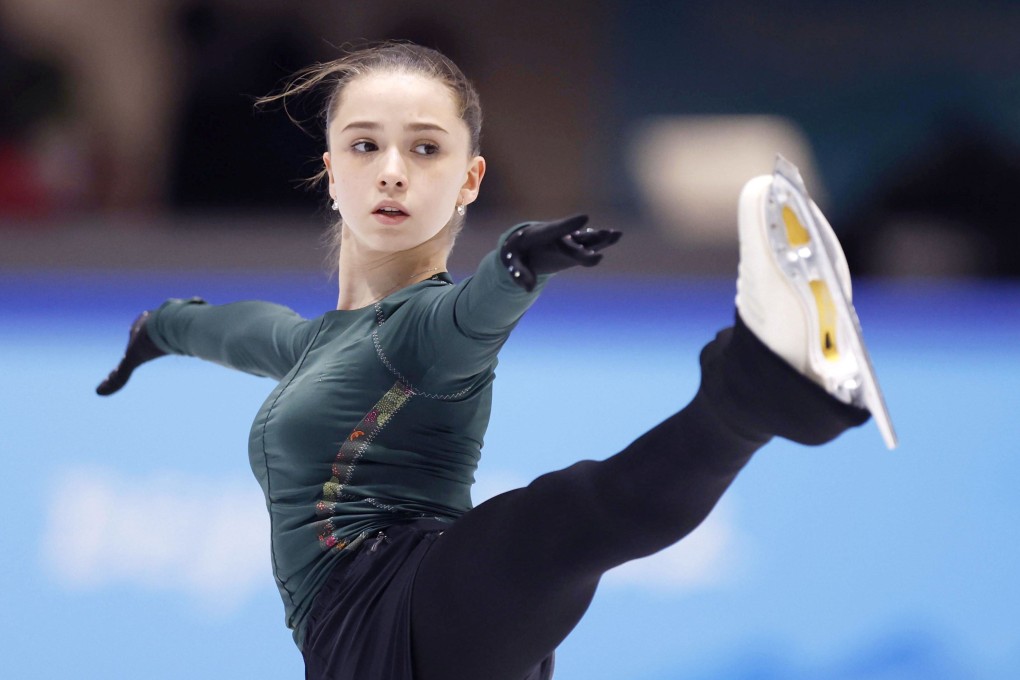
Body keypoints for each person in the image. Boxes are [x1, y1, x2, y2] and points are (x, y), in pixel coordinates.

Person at [97, 42, 891, 680]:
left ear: (471, 178)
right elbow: (227, 329)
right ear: (330, 172)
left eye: (427, 148)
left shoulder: (424, 327)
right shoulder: (304, 343)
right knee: (560, 524)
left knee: (569, 516)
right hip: (362, 644)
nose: (394, 169)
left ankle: (763, 388)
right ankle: (763, 391)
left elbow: (467, 320)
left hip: (435, 602)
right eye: (365, 145)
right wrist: (155, 329)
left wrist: (518, 264)